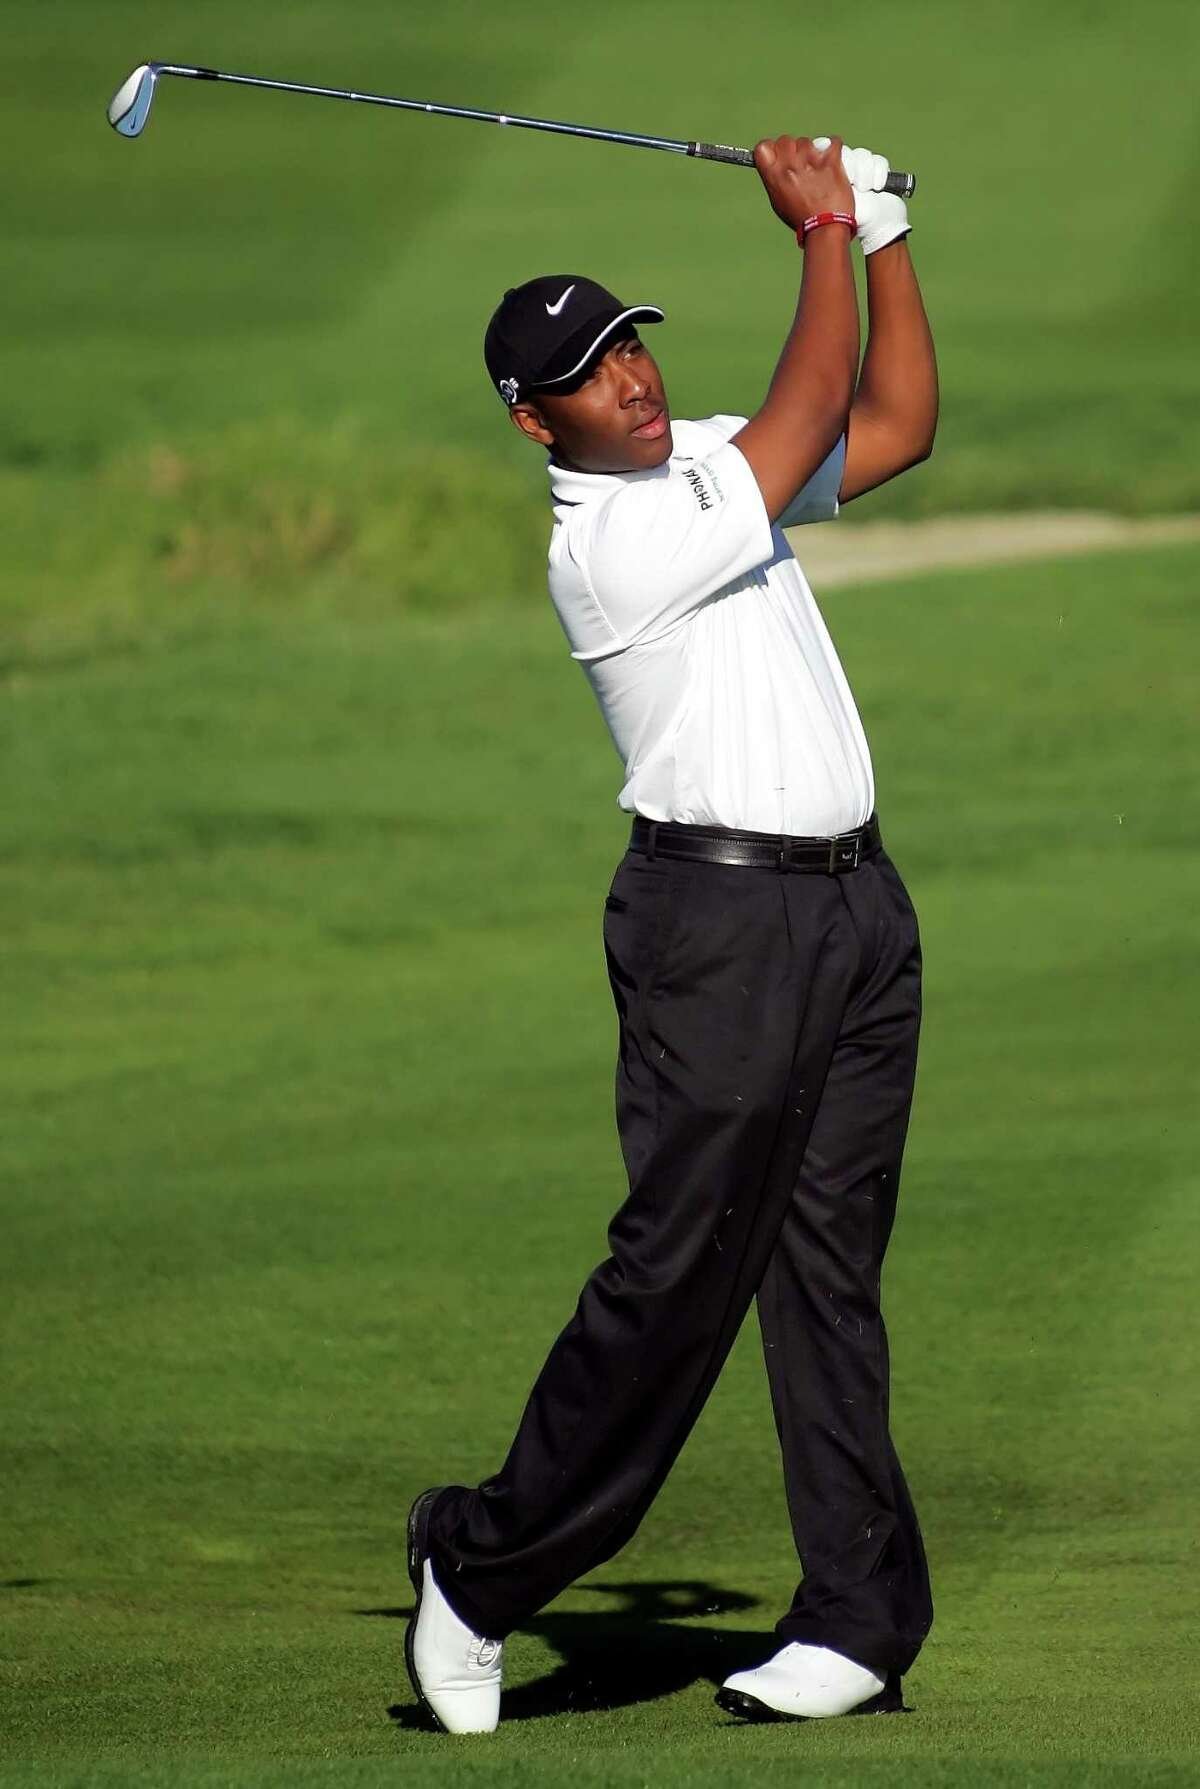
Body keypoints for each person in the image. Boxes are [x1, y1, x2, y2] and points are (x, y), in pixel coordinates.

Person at [404, 133, 939, 1733]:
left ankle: (854, 1616)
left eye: (629, 343)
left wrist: (889, 231)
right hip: (718, 922)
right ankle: (479, 1565)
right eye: (586, 371)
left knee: (827, 1269)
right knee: (677, 1277)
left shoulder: (706, 458)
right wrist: (821, 228)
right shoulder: (611, 541)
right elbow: (808, 398)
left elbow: (893, 424)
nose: (627, 380)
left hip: (854, 910)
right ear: (533, 416)